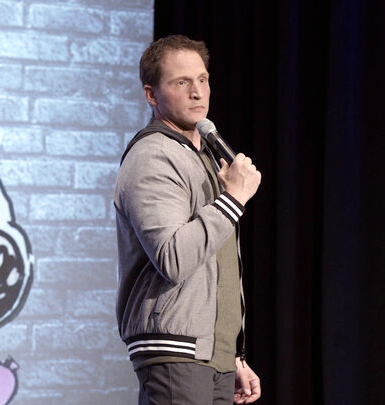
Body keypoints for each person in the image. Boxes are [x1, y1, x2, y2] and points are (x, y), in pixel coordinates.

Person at [114, 34, 262, 404]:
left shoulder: (205, 157)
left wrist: (231, 353)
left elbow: (215, 265)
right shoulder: (153, 155)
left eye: (202, 79)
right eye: (181, 82)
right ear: (152, 95)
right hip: (174, 349)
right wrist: (233, 198)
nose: (197, 92)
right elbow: (174, 258)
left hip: (211, 354)